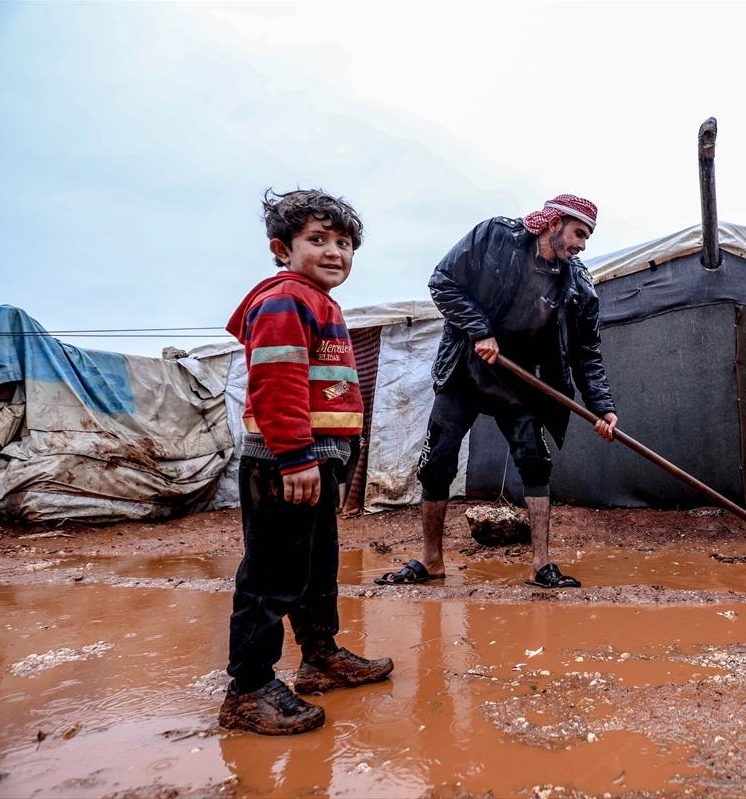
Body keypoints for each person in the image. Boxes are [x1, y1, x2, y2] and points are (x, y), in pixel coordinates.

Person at [219, 188, 393, 736]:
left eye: (344, 242)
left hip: (316, 461)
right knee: (271, 576)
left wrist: (334, 465)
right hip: (282, 463)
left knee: (315, 569)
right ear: (281, 247)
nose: (334, 251)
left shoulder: (319, 301)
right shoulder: (284, 298)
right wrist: (294, 458)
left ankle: (320, 657)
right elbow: (276, 383)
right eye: (317, 240)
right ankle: (247, 690)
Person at [375, 195, 617, 589]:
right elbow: (443, 282)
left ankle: (541, 565)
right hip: (465, 374)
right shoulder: (495, 238)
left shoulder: (578, 286)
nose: (582, 245)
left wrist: (603, 407)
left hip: (523, 384)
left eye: (588, 238)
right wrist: (480, 329)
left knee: (535, 464)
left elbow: (586, 352)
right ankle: (431, 559)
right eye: (579, 233)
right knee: (436, 463)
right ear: (553, 222)